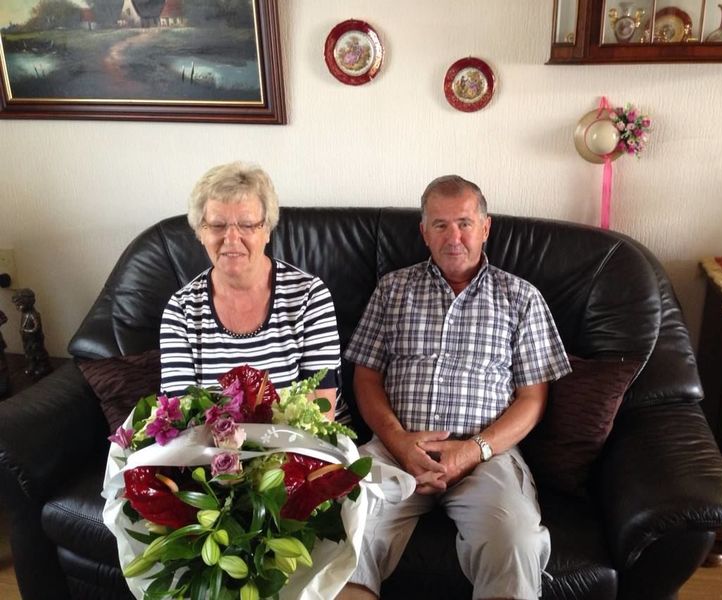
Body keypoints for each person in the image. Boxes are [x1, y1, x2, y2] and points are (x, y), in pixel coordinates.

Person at [339, 175, 571, 599]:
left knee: (514, 537)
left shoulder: (521, 297)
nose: (454, 237)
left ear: (485, 227)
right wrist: (398, 441)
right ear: (423, 232)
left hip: (486, 455)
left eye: (464, 223)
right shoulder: (392, 290)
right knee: (342, 528)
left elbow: (533, 399)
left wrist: (472, 450)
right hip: (395, 450)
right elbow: (366, 377)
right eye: (440, 225)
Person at [159, 161, 344, 420]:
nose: (231, 238)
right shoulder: (181, 311)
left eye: (247, 225)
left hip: (302, 441)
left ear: (266, 230)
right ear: (200, 232)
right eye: (217, 225)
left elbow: (320, 413)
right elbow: (181, 419)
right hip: (211, 444)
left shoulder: (309, 296)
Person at [11, 288, 53, 380]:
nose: (18, 308)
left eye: (19, 305)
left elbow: (36, 328)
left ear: (28, 302)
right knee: (29, 353)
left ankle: (44, 366)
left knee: (38, 352)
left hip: (35, 339)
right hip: (27, 339)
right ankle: (33, 365)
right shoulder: (24, 314)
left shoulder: (34, 314)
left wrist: (26, 331)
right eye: (17, 306)